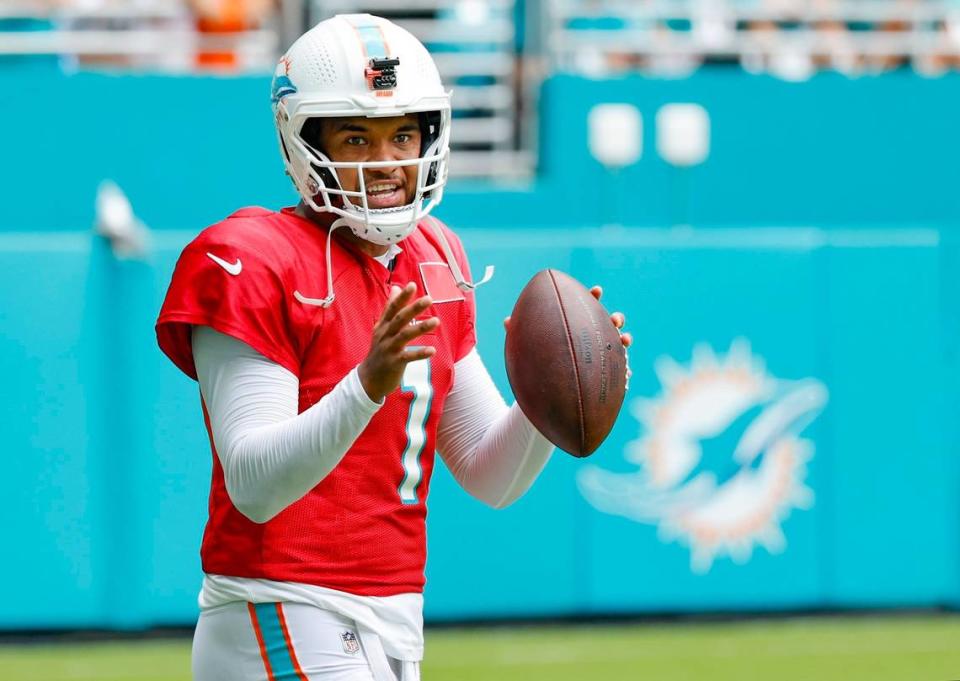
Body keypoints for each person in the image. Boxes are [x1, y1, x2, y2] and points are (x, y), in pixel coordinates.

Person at [156, 13, 630, 681]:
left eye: (402, 134)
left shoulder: (435, 257)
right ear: (303, 141)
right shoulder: (254, 257)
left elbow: (490, 475)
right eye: (356, 136)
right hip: (281, 601)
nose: (386, 161)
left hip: (393, 616)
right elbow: (255, 486)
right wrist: (365, 385)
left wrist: (553, 397)